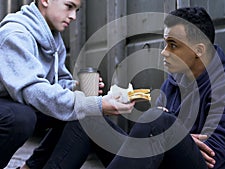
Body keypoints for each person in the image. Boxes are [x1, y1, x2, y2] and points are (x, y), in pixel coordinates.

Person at [19, 6, 225, 169]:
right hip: (160, 162)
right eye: (164, 43)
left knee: (156, 121)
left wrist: (166, 131)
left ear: (199, 50)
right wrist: (169, 134)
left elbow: (213, 156)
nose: (164, 52)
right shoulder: (174, 81)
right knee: (88, 117)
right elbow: (160, 140)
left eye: (173, 45)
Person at [0, 0, 134, 168]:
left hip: (21, 101)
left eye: (77, 10)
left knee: (82, 111)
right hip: (11, 107)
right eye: (69, 6)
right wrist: (97, 104)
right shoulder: (14, 34)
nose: (73, 16)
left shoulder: (53, 38)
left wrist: (75, 88)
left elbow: (55, 83)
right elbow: (33, 91)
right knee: (20, 117)